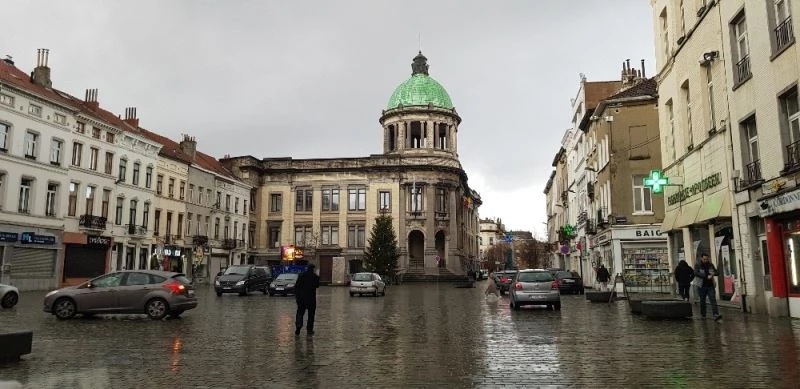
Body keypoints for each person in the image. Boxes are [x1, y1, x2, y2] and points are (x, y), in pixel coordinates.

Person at [294, 264, 320, 336]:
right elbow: (317, 285)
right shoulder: (315, 277)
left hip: (301, 299)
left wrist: (297, 297)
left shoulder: (301, 276)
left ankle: (298, 326)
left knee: (300, 313)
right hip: (311, 299)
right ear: (313, 269)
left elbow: (296, 287)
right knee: (311, 315)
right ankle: (309, 330)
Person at [695, 253, 722, 321]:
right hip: (701, 286)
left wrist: (714, 273)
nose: (706, 260)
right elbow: (696, 273)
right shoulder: (698, 265)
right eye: (704, 259)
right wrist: (706, 276)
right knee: (702, 300)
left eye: (707, 259)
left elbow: (717, 272)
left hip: (710, 285)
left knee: (713, 299)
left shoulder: (710, 265)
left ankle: (715, 314)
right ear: (701, 258)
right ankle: (703, 314)